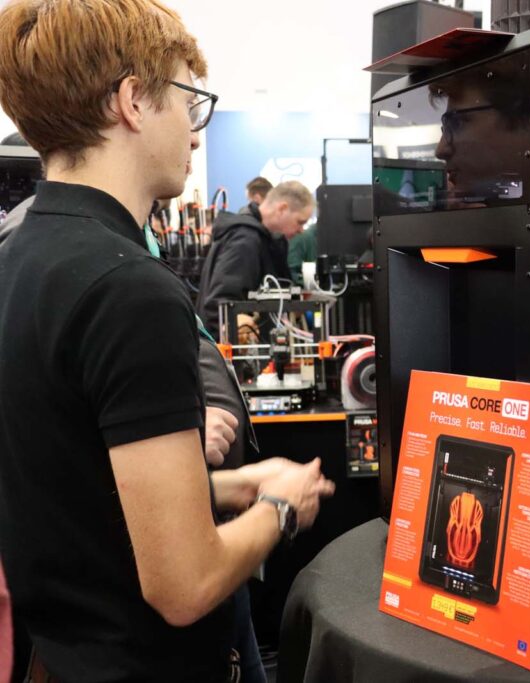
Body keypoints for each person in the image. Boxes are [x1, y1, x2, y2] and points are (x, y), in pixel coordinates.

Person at [0, 2, 333, 681]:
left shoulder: (18, 258)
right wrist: (280, 509)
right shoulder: (129, 290)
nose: (194, 135)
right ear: (132, 101)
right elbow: (185, 582)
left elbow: (76, 479)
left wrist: (230, 482)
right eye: (188, 102)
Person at [196, 180, 314, 331]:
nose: (301, 230)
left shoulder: (269, 240)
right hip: (228, 343)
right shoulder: (245, 240)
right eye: (300, 222)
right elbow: (219, 305)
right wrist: (239, 327)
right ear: (282, 209)